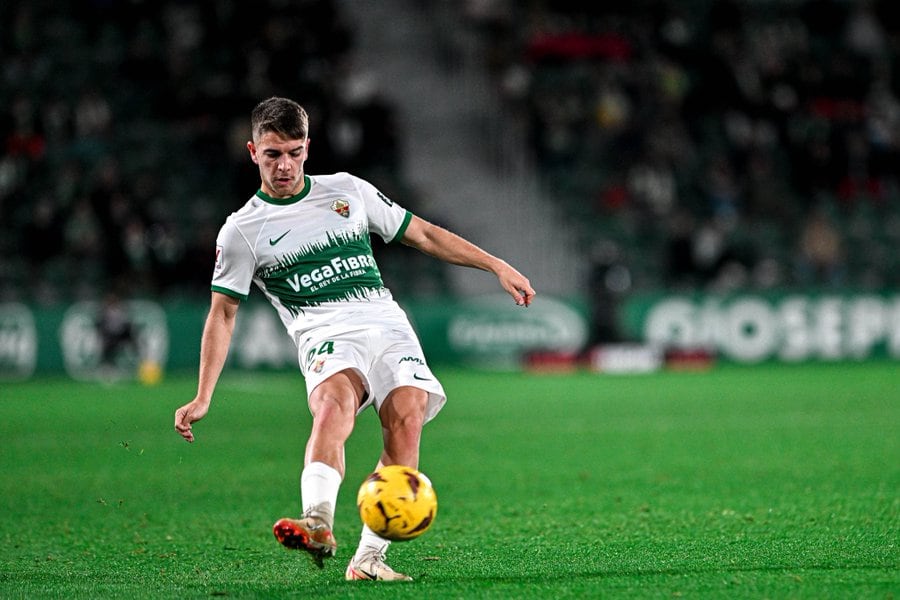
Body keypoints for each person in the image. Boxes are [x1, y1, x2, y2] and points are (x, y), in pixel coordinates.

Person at [173, 97, 535, 581]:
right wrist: (203, 395)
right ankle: (318, 521)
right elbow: (223, 313)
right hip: (323, 332)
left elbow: (422, 234)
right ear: (252, 151)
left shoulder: (347, 191)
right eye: (273, 154)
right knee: (333, 406)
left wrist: (496, 264)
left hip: (386, 323)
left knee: (407, 423)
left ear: (308, 148)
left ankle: (368, 560)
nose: (285, 165)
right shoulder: (242, 231)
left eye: (295, 152)